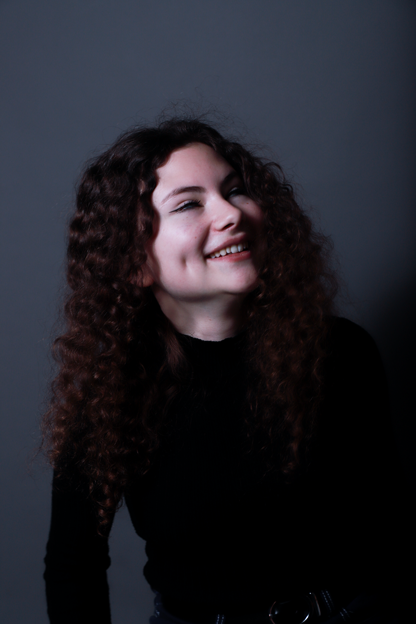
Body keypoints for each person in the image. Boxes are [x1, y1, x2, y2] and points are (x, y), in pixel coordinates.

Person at [42, 116, 411, 624]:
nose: (231, 213)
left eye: (235, 190)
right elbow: (72, 567)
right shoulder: (112, 393)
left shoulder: (343, 351)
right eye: (190, 203)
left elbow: (392, 531)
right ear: (136, 262)